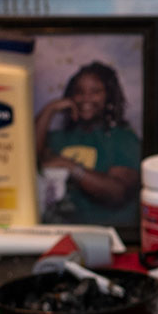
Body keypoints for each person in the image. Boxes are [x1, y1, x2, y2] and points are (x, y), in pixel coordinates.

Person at [34, 61, 141, 230]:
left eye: (95, 91)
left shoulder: (123, 138)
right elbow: (28, 155)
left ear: (109, 96)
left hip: (104, 235)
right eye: (79, 92)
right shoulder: (61, 137)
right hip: (57, 232)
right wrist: (50, 109)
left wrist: (70, 167)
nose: (85, 98)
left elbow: (117, 192)